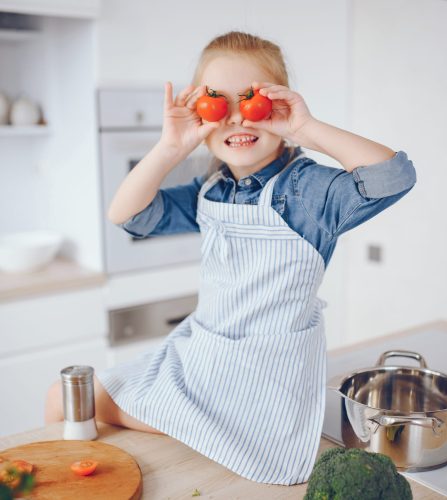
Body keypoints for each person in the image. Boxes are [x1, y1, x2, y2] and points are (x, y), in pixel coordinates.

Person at [45, 31, 416, 485]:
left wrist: (304, 129)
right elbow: (128, 215)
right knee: (62, 399)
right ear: (200, 113)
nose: (239, 118)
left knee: (73, 405)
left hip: (262, 376)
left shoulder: (307, 191)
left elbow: (392, 176)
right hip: (203, 357)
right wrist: (170, 148)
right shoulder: (212, 187)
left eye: (254, 100)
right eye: (217, 103)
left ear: (280, 106)